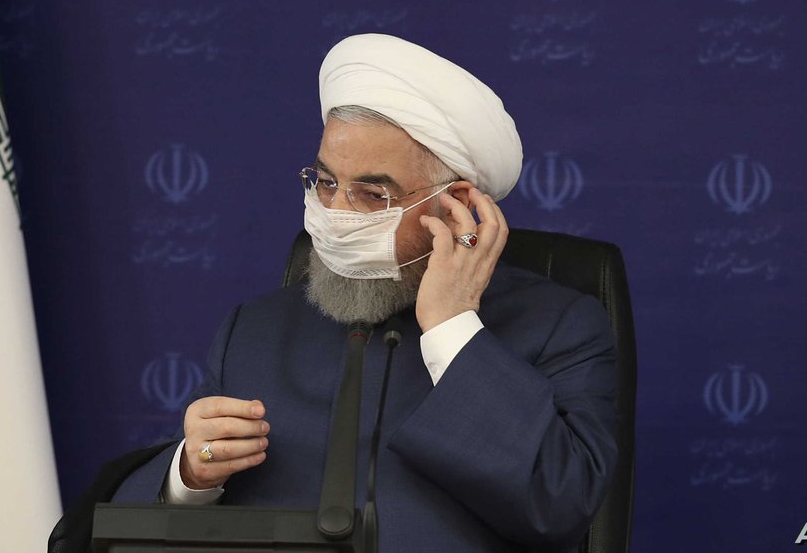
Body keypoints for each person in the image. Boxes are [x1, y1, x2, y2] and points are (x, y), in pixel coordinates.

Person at [104, 34, 617, 552]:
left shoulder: (557, 325)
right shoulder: (254, 329)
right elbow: (130, 524)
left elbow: (560, 505)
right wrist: (191, 477)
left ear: (456, 203)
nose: (337, 212)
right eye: (326, 183)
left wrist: (452, 327)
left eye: (373, 194)